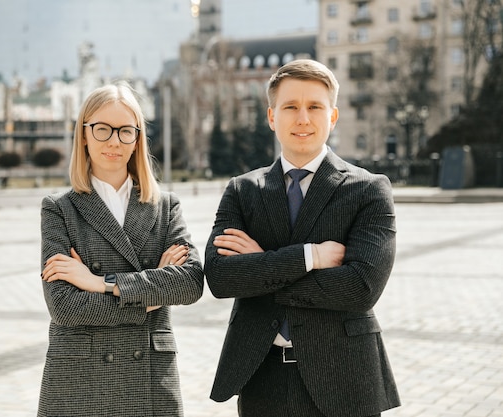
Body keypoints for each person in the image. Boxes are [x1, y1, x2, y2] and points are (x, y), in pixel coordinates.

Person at [204, 59, 400, 417]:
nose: (303, 118)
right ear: (271, 117)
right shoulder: (243, 191)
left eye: (315, 107)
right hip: (262, 375)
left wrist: (262, 266)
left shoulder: (369, 189)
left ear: (333, 116)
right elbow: (219, 277)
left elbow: (361, 288)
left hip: (345, 375)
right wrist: (309, 257)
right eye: (290, 107)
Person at [37, 82, 204, 417]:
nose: (114, 140)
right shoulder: (59, 209)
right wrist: (150, 298)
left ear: (137, 139)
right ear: (83, 135)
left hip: (149, 377)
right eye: (102, 129)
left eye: (125, 131)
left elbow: (190, 283)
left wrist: (101, 282)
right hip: (80, 379)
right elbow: (65, 307)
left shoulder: (165, 206)